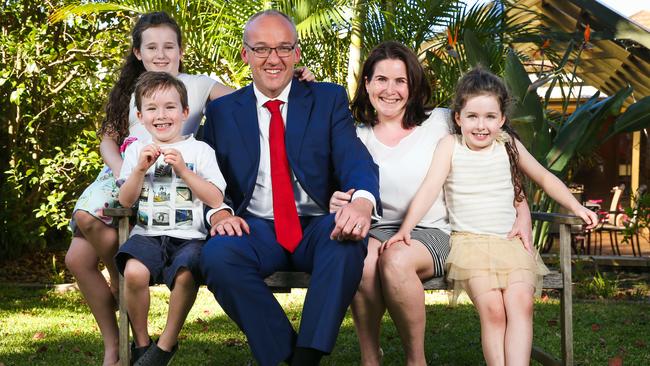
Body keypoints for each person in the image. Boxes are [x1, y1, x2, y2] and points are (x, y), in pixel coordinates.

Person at [64, 11, 313, 366]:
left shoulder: (198, 85)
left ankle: (134, 307)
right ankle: (116, 340)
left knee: (88, 252)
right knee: (81, 241)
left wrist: (291, 79)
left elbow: (249, 98)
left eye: (169, 46)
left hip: (175, 176)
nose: (161, 53)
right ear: (138, 52)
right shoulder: (128, 91)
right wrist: (126, 170)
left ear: (182, 50)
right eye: (151, 47)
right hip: (129, 168)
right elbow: (108, 141)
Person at [329, 41, 534, 366]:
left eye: (401, 80)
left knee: (395, 260)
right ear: (366, 83)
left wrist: (521, 210)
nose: (390, 90)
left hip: (433, 232)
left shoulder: (440, 121)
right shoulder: (356, 135)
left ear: (413, 85)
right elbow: (338, 187)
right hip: (375, 229)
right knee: (362, 262)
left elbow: (501, 152)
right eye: (381, 79)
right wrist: (336, 199)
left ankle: (416, 359)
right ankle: (370, 357)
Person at [199, 10, 380, 366]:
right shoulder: (222, 112)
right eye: (262, 48)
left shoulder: (327, 100)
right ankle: (284, 351)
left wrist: (361, 199)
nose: (273, 58)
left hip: (315, 224)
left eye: (284, 48)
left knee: (347, 240)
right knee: (218, 256)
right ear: (245, 54)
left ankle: (306, 357)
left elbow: (354, 158)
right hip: (256, 227)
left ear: (297, 53)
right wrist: (219, 210)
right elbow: (209, 173)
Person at [385, 67, 598, 365]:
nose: (481, 125)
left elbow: (545, 178)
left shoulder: (507, 144)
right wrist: (405, 229)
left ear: (502, 119)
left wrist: (577, 207)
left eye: (489, 117)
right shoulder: (450, 146)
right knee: (494, 310)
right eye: (472, 116)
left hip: (510, 244)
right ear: (458, 118)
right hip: (470, 246)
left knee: (521, 304)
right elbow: (428, 189)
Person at [114, 71, 226, 365]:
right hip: (148, 234)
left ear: (185, 112)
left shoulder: (200, 150)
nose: (161, 115)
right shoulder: (137, 151)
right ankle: (142, 343)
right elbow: (125, 201)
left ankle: (165, 346)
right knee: (134, 273)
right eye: (151, 108)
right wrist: (138, 169)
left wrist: (186, 172)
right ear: (140, 116)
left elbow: (215, 198)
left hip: (190, 237)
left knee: (187, 274)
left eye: (170, 107)